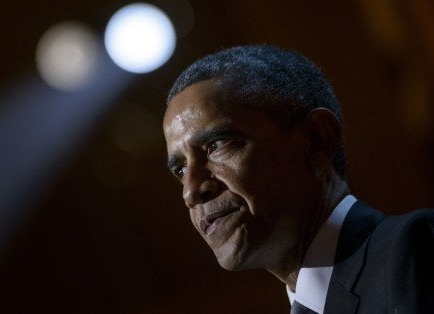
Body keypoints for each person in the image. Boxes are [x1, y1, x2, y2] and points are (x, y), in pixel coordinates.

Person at [162, 45, 434, 313]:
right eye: (181, 170)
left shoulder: (416, 252)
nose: (191, 191)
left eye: (217, 144)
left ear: (317, 139)